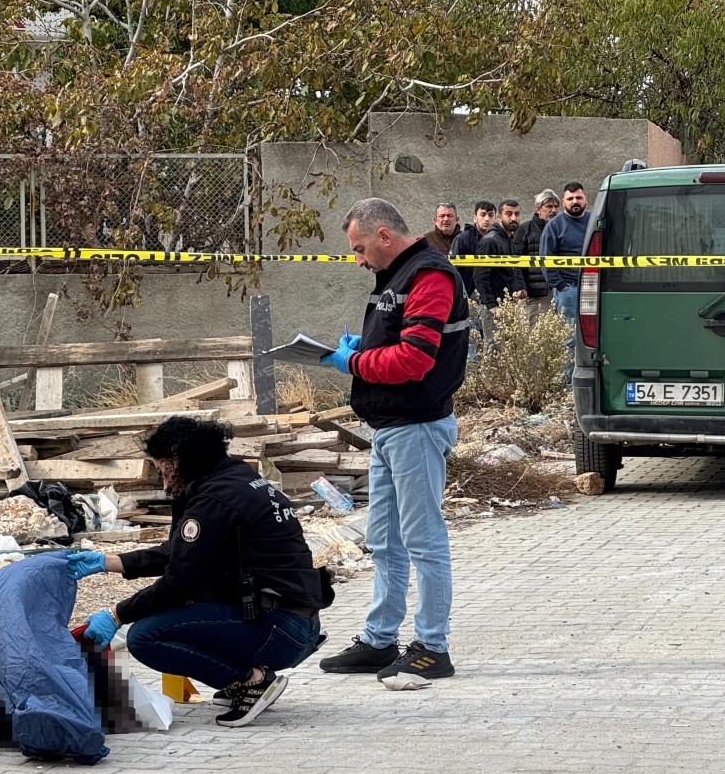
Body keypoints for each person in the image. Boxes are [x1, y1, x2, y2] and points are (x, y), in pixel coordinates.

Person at [68, 416, 331, 728]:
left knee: (145, 636)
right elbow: (181, 552)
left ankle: (250, 680)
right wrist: (109, 561)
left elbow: (177, 582)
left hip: (280, 630)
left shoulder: (214, 499)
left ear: (178, 459)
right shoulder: (235, 479)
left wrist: (116, 615)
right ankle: (246, 673)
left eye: (162, 469)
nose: (163, 483)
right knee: (187, 601)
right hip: (296, 623)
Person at [317, 198, 469, 690]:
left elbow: (414, 360)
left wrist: (352, 365)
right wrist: (363, 348)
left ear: (384, 236)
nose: (358, 259)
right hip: (387, 428)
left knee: (423, 541)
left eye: (360, 249)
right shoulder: (395, 277)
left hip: (417, 426)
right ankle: (380, 637)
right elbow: (395, 340)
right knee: (383, 540)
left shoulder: (429, 276)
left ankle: (432, 648)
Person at [541, 181, 589, 382]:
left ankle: (590, 378)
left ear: (585, 199)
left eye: (578, 197)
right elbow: (546, 260)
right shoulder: (554, 226)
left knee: (593, 336)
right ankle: (566, 380)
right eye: (570, 199)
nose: (575, 201)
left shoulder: (595, 221)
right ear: (564, 202)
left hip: (593, 288)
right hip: (568, 290)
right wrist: (560, 285)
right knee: (569, 337)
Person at [474, 199, 524, 343]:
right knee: (493, 349)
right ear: (499, 217)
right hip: (494, 307)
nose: (513, 218)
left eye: (517, 214)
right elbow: (480, 276)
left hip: (508, 303)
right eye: (508, 214)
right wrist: (491, 305)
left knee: (507, 349)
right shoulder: (491, 240)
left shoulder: (508, 238)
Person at [512, 189, 559, 325]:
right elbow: (516, 261)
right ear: (538, 209)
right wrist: (521, 287)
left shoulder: (560, 228)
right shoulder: (524, 230)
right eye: (549, 206)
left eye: (556, 206)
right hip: (535, 294)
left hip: (557, 291)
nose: (554, 210)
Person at [448, 200, 496, 298]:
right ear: (475, 218)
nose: (486, 219)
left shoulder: (499, 240)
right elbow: (453, 270)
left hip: (495, 297)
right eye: (482, 215)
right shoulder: (462, 239)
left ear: (495, 218)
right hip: (467, 296)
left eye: (490, 215)